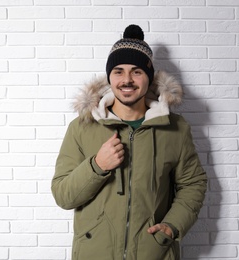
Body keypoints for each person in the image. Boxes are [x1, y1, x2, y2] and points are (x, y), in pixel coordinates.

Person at [51, 24, 207, 260]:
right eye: (118, 71)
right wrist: (97, 166)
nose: (127, 80)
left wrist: (171, 226)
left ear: (149, 77)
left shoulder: (175, 128)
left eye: (136, 71)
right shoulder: (82, 128)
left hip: (153, 252)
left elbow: (193, 184)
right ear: (109, 77)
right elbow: (63, 195)